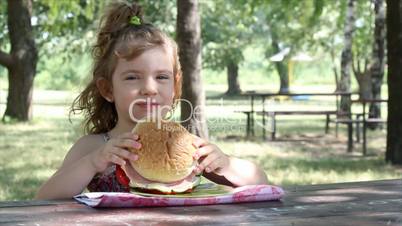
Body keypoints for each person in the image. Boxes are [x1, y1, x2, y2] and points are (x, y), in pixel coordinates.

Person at [35, 1, 268, 200]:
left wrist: (225, 163)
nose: (149, 88)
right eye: (132, 77)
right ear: (108, 89)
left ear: (175, 88)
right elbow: (44, 199)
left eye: (162, 77)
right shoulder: (94, 147)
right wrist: (93, 163)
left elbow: (261, 182)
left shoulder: (184, 147)